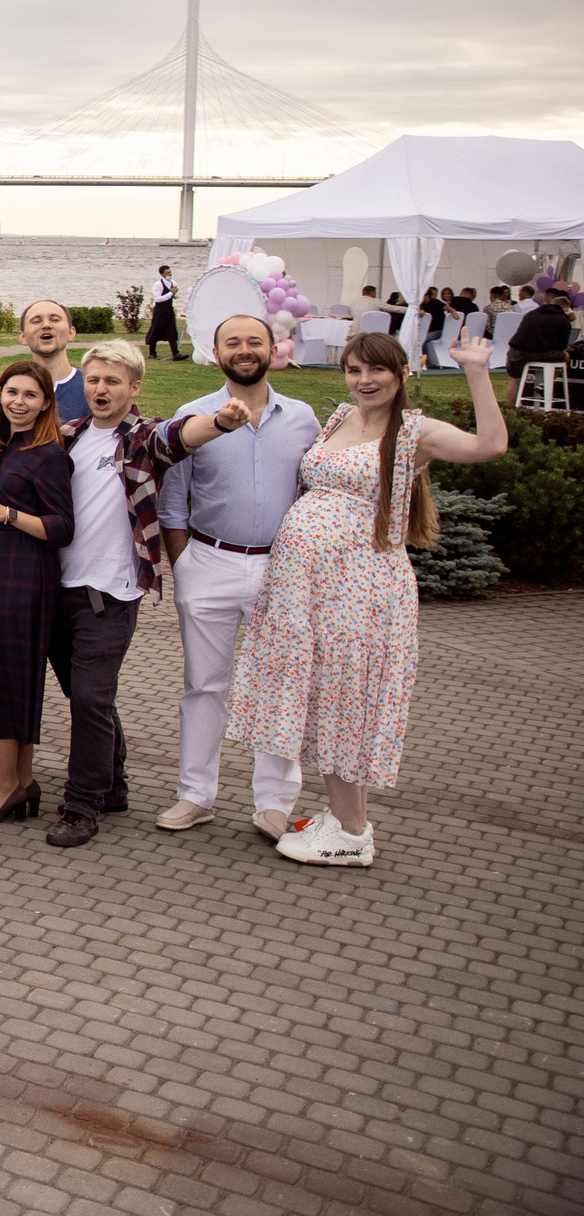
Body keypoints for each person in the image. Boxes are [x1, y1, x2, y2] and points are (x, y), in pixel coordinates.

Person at [229, 330, 505, 865]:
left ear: (400, 372)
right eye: (355, 370)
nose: (365, 380)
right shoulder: (341, 419)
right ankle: (342, 816)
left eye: (376, 370)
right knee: (323, 700)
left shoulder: (412, 432)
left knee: (345, 704)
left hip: (361, 594)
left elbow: (490, 446)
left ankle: (352, 834)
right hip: (308, 592)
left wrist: (475, 370)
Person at [39, 339, 245, 848]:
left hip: (110, 593)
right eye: (94, 380)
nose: (101, 389)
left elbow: (181, 436)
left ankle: (80, 806)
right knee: (88, 698)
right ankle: (113, 786)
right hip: (56, 588)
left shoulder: (142, 438)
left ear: (134, 388)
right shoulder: (68, 436)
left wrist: (219, 421)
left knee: (90, 697)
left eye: (113, 381)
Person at [152, 311, 319, 838]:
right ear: (216, 353)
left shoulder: (304, 418)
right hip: (209, 561)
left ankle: (273, 801)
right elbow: (173, 501)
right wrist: (185, 565)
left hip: (283, 568)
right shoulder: (193, 415)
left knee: (281, 688)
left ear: (273, 349)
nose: (243, 350)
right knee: (204, 685)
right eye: (232, 343)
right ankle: (195, 795)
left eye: (254, 341)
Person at [0, 360, 73, 824]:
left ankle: (4, 784)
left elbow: (63, 527)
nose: (17, 402)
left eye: (29, 395)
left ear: (46, 402)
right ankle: (23, 781)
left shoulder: (48, 453)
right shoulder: (9, 446)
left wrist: (8, 515)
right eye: (10, 392)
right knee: (8, 675)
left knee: (6, 679)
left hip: (24, 575)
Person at [18, 300, 87, 423]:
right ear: (23, 337)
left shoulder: (92, 391)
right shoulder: (8, 397)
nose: (46, 325)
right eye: (36, 321)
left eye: (55, 319)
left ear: (71, 333)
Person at [508, 291, 573, 384]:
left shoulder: (531, 314)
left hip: (516, 352)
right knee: (565, 356)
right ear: (566, 308)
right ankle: (544, 385)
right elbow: (561, 346)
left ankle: (514, 398)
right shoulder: (563, 321)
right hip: (540, 353)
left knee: (515, 380)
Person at [148, 265, 183, 360]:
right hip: (160, 311)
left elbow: (175, 297)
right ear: (162, 274)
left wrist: (175, 293)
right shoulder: (158, 285)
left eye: (170, 272)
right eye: (167, 273)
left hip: (169, 310)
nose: (170, 274)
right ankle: (152, 353)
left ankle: (175, 353)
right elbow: (158, 299)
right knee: (156, 330)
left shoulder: (173, 282)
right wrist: (170, 293)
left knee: (172, 331)